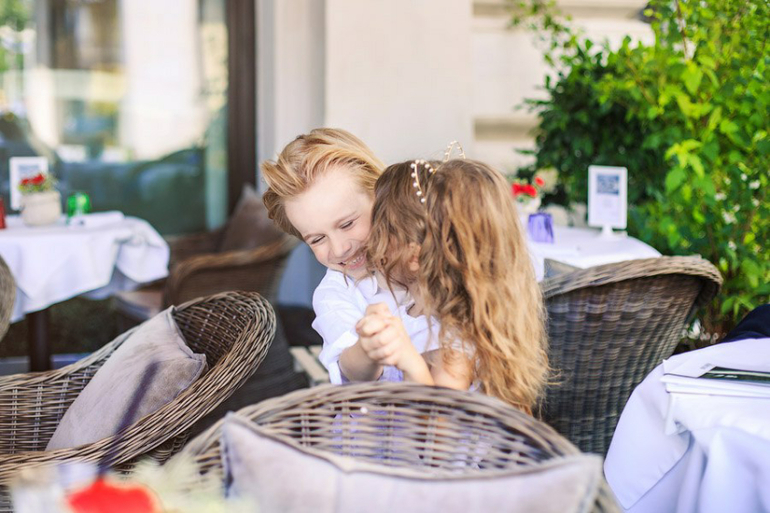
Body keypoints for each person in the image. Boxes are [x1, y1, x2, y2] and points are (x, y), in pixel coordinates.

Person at [357, 158, 549, 413]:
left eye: (380, 229)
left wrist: (411, 363)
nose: (369, 240)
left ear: (415, 256)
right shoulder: (411, 309)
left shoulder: (454, 343)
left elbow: (437, 432)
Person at [261, 128, 436, 384]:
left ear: (380, 197)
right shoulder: (335, 293)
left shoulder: (431, 252)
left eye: (347, 224)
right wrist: (367, 348)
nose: (340, 248)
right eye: (317, 239)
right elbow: (353, 369)